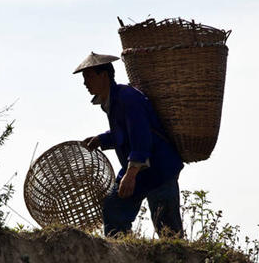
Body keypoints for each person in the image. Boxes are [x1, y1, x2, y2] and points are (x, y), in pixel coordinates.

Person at [74, 51, 184, 237]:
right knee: (114, 208)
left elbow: (141, 138)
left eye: (89, 77)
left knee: (167, 227)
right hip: (140, 169)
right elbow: (124, 133)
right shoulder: (112, 101)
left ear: (104, 75)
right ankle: (121, 255)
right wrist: (102, 139)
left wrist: (130, 174)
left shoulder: (127, 98)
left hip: (158, 168)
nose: (85, 83)